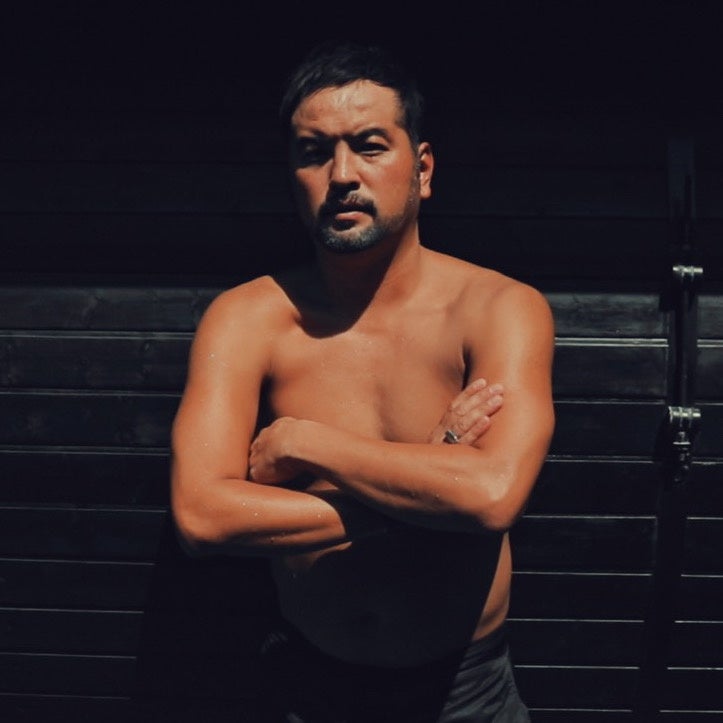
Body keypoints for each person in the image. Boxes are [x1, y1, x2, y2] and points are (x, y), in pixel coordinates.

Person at [170, 40, 555, 722]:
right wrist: (422, 490)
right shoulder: (249, 318)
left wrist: (305, 444)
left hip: (464, 693)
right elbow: (202, 515)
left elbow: (492, 495)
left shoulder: (498, 308)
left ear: (422, 169)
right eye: (314, 152)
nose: (342, 174)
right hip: (308, 686)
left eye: (369, 146)